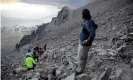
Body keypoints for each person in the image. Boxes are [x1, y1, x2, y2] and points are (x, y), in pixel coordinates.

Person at [76, 9, 97, 75]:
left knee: (82, 57)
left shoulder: (87, 23)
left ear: (84, 15)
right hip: (84, 44)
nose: (81, 15)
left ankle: (80, 71)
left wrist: (88, 40)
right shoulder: (90, 21)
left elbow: (92, 33)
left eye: (82, 14)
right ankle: (81, 67)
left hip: (84, 45)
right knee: (82, 56)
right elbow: (95, 26)